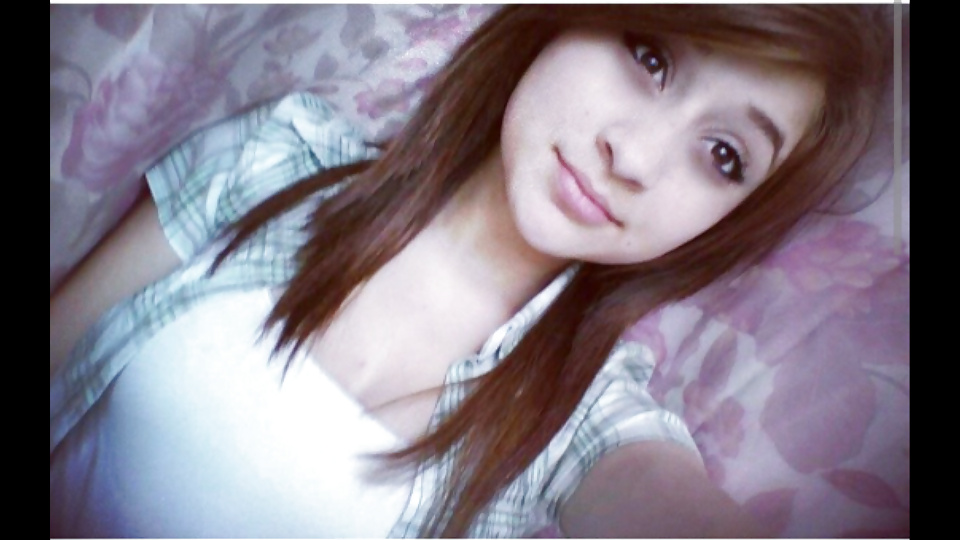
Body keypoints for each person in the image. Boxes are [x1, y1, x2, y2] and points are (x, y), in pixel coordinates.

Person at [50, 5, 892, 538]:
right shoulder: (273, 162)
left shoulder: (580, 422)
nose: (634, 156)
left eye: (724, 154)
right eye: (649, 55)